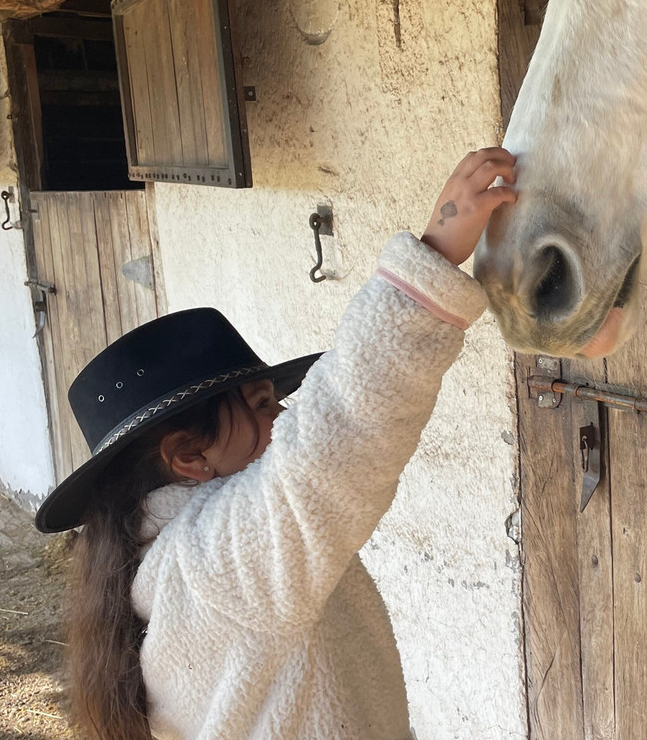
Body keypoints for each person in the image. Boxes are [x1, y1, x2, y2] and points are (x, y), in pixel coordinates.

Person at [34, 148, 518, 740]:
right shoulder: (212, 572)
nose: (284, 415)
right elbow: (331, 445)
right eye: (262, 406)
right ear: (190, 457)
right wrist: (435, 255)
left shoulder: (166, 568)